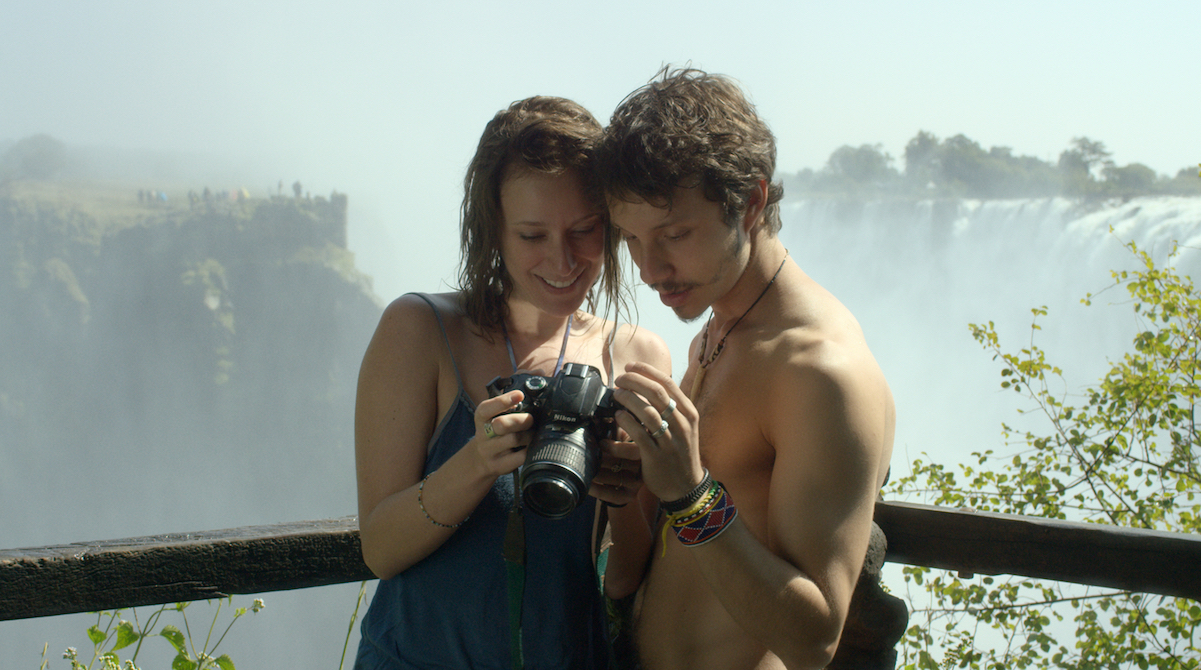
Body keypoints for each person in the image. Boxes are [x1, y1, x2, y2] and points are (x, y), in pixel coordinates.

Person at [593, 68, 896, 669]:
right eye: (631, 239)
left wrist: (690, 492)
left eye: (674, 234)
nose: (649, 268)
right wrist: (629, 486)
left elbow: (814, 639)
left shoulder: (821, 372)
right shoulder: (718, 326)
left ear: (752, 202)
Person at [353, 96, 670, 669]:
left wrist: (623, 500)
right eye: (531, 236)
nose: (562, 259)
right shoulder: (419, 331)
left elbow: (624, 581)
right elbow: (380, 549)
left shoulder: (636, 357)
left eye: (585, 230)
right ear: (492, 230)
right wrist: (477, 461)